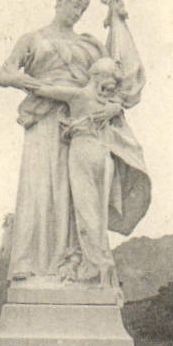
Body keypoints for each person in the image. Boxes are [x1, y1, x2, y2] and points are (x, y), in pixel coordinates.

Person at [0, 0, 149, 288]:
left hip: (82, 128)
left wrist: (118, 20)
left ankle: (77, 262)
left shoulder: (89, 44)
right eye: (73, 2)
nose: (77, 10)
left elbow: (116, 74)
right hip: (43, 123)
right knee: (40, 188)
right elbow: (4, 73)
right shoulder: (33, 39)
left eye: (83, 6)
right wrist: (31, 84)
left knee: (78, 197)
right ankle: (32, 265)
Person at [30, 56, 151, 289]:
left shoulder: (79, 96)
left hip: (84, 154)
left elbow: (42, 89)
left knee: (86, 214)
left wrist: (18, 79)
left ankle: (96, 266)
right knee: (96, 214)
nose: (111, 87)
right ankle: (99, 264)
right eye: (109, 81)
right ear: (99, 78)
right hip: (104, 158)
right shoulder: (111, 105)